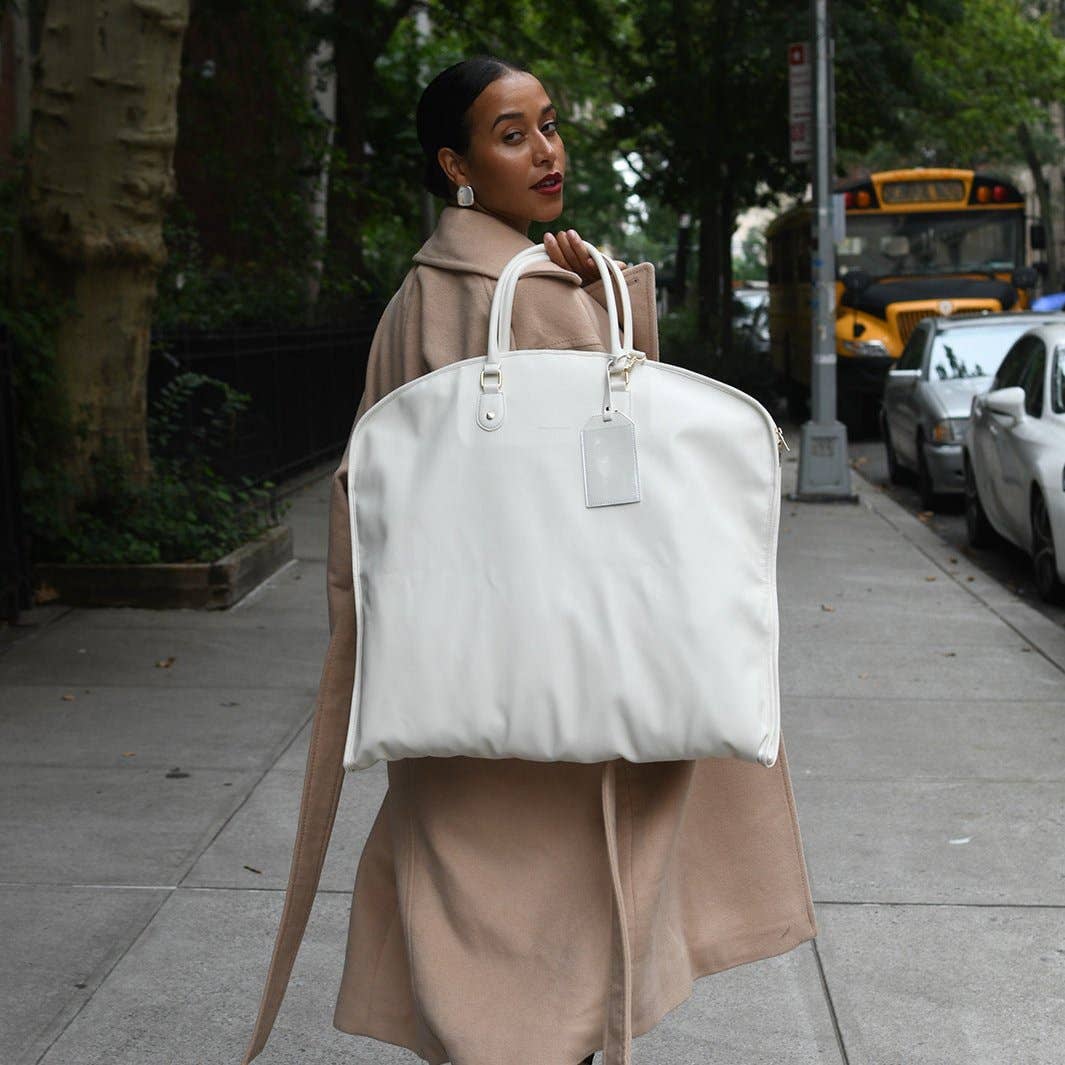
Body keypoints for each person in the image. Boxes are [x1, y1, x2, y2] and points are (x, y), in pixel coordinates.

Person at [241, 56, 817, 1065]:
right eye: (512, 135)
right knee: (562, 941)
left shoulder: (415, 297)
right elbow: (623, 476)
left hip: (453, 673)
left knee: (468, 922)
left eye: (548, 125)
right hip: (561, 684)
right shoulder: (536, 296)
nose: (547, 151)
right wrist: (600, 298)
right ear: (456, 166)